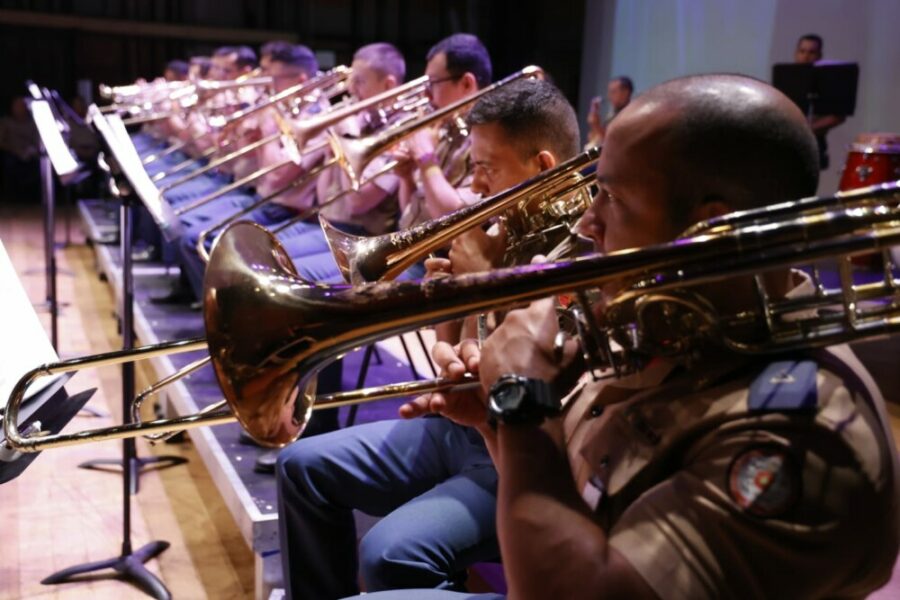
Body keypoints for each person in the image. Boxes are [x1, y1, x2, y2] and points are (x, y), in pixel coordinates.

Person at [365, 73, 900, 599]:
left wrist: (524, 403)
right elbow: (570, 498)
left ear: (708, 228)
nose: (588, 224)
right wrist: (494, 423)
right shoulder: (668, 319)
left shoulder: (798, 433)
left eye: (613, 199)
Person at [276, 77, 581, 600]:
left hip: (520, 450)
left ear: (543, 168)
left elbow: (531, 386)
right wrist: (449, 311)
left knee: (388, 553)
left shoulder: (582, 250)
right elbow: (455, 345)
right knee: (299, 466)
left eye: (485, 167)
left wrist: (483, 281)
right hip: (461, 424)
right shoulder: (506, 223)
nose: (474, 184)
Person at [794, 33, 845, 169]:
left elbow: (838, 116)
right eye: (802, 51)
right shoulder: (788, 79)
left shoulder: (827, 83)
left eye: (811, 52)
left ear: (819, 55)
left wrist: (808, 129)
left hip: (813, 143)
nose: (806, 56)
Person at [585, 76, 633, 147]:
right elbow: (593, 137)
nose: (609, 96)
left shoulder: (630, 115)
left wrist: (596, 125)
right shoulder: (612, 114)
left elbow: (614, 142)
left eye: (613, 92)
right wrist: (594, 123)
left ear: (625, 93)